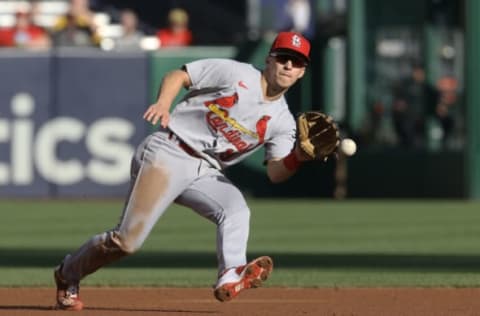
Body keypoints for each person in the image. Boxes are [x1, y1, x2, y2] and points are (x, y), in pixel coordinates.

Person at [53, 31, 312, 311]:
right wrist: (163, 104)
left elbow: (275, 172)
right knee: (126, 242)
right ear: (269, 59)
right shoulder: (236, 73)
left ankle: (231, 273)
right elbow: (178, 76)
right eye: (284, 57)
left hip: (205, 171)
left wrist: (297, 156)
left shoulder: (283, 122)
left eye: (296, 62)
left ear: (302, 73)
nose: (288, 66)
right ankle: (68, 273)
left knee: (236, 210)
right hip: (169, 151)